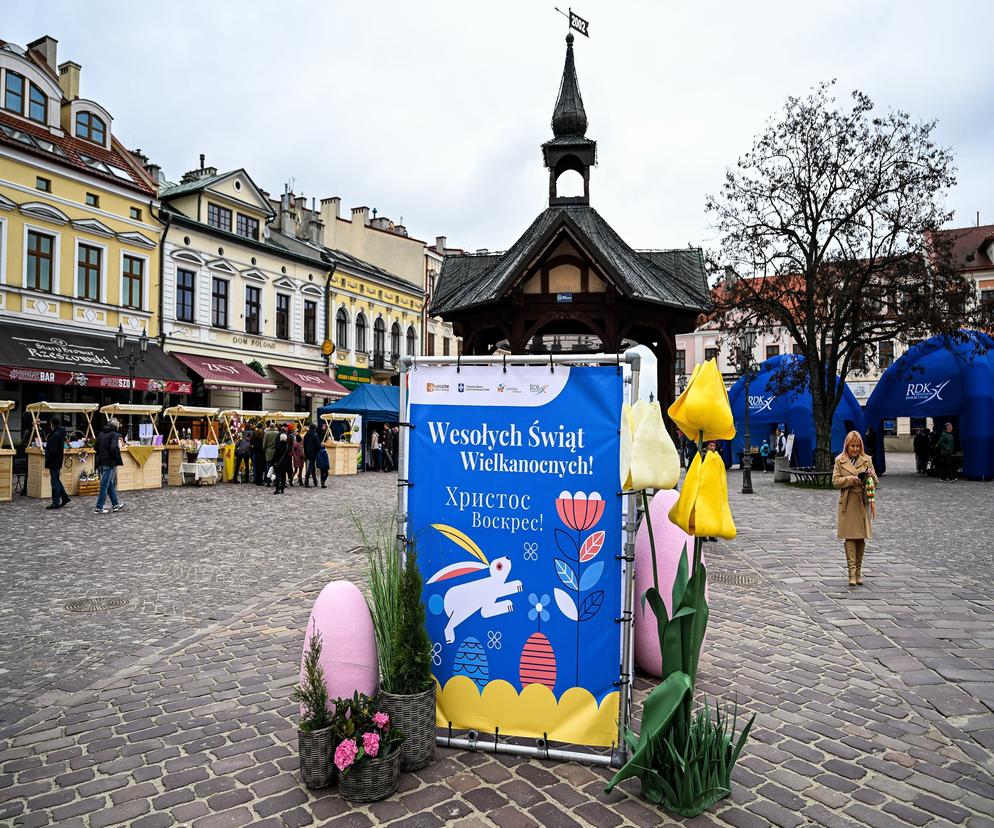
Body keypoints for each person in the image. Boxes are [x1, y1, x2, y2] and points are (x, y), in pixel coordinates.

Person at [832, 430, 878, 586]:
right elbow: (835, 481)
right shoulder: (840, 460)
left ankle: (858, 572)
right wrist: (850, 479)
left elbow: (876, 481)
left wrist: (870, 475)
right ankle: (851, 572)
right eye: (853, 446)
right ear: (847, 446)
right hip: (848, 502)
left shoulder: (867, 460)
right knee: (850, 536)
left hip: (862, 502)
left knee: (860, 537)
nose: (855, 449)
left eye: (858, 446)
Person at [94, 418, 124, 514]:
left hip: (100, 461)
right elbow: (113, 448)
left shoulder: (101, 434)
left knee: (109, 483)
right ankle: (99, 507)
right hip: (109, 461)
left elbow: (95, 447)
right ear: (116, 426)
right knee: (104, 485)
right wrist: (115, 458)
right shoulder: (115, 434)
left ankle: (115, 504)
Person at [44, 416, 70, 510]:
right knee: (56, 480)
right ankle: (65, 497)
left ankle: (56, 502)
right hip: (57, 460)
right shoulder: (59, 433)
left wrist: (48, 456)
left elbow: (52, 449)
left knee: (54, 482)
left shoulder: (55, 434)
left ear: (52, 424)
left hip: (53, 461)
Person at [303, 423, 321, 487]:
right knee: (311, 467)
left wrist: (305, 452)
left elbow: (304, 444)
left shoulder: (306, 434)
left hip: (307, 452)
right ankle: (306, 482)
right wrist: (317, 451)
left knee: (312, 467)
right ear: (314, 428)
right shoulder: (315, 434)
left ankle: (315, 481)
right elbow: (318, 445)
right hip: (313, 453)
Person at [262, 421, 278, 486]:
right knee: (275, 467)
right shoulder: (277, 433)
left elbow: (264, 444)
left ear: (269, 427)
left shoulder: (267, 433)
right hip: (275, 452)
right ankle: (274, 481)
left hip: (268, 452)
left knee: (268, 467)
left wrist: (264, 450)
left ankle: (268, 482)